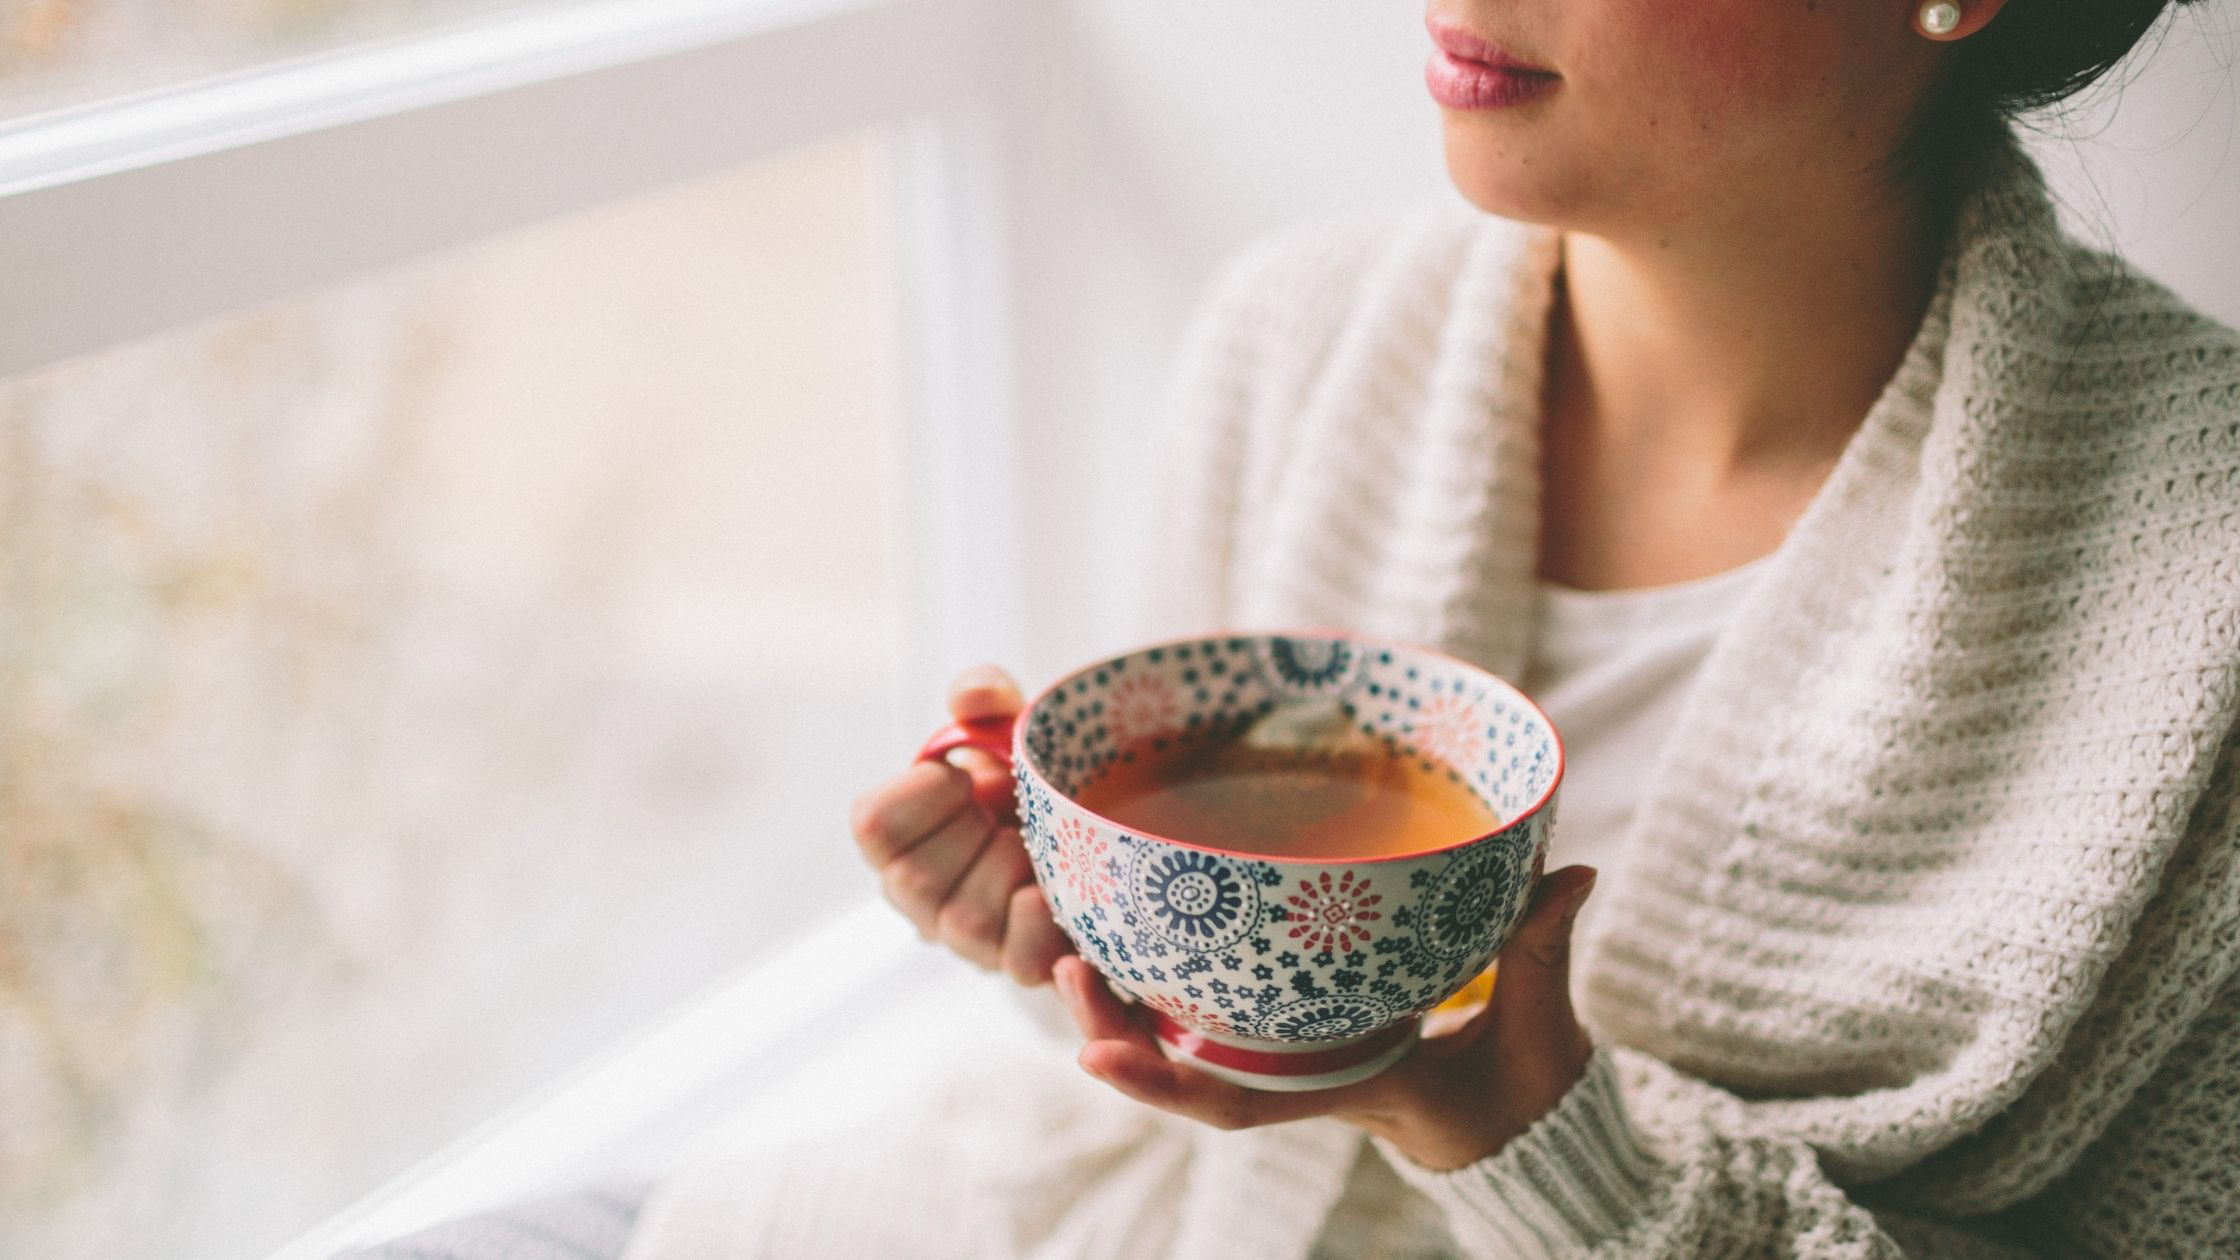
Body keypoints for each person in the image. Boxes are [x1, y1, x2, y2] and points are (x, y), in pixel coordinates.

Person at [353, 0, 2238, 1255]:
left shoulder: (2200, 603)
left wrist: (1533, 1130)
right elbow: (1174, 1088)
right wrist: (1070, 924)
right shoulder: (1300, 339)